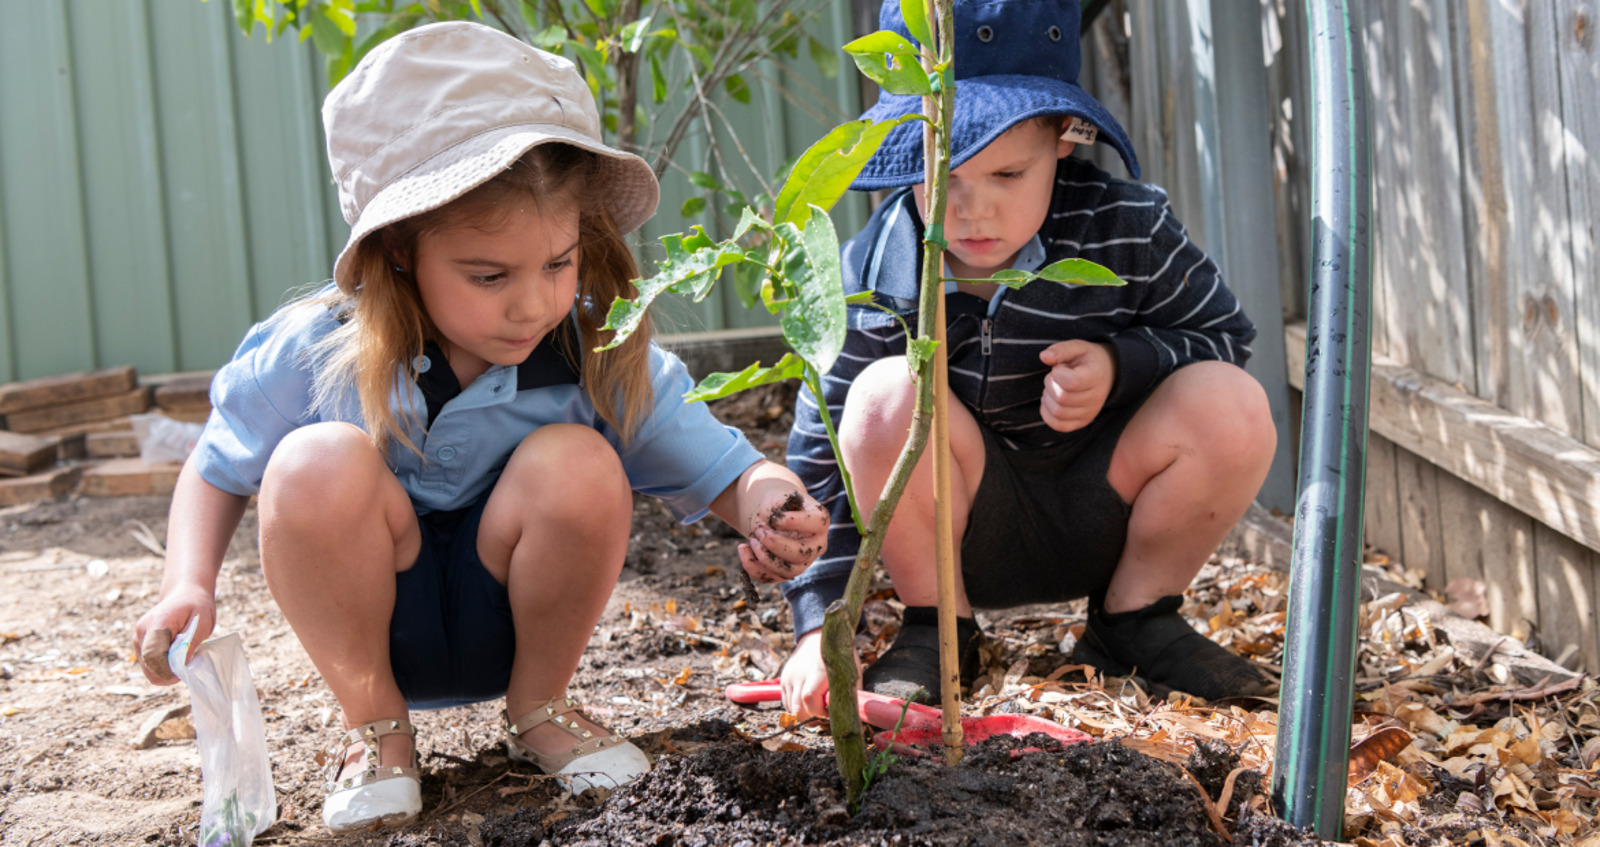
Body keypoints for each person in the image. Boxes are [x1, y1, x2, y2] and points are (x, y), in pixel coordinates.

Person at [131, 22, 827, 833]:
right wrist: (188, 582)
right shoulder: (318, 350)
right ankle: (379, 735)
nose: (532, 303)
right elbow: (218, 468)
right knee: (312, 462)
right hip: (373, 632)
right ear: (398, 250)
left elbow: (721, 467)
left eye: (558, 264)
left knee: (581, 461)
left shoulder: (592, 346)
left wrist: (772, 504)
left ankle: (541, 709)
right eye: (489, 275)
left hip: (517, 623)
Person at [778, 0, 1276, 720]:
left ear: (1064, 139)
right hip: (959, 530)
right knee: (883, 394)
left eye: (1008, 175)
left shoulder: (1126, 227)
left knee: (1231, 402)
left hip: (1105, 506)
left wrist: (1120, 364)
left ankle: (1134, 621)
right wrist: (820, 622)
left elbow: (1224, 337)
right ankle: (941, 629)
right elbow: (820, 451)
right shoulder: (875, 266)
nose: (970, 212)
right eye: (941, 176)